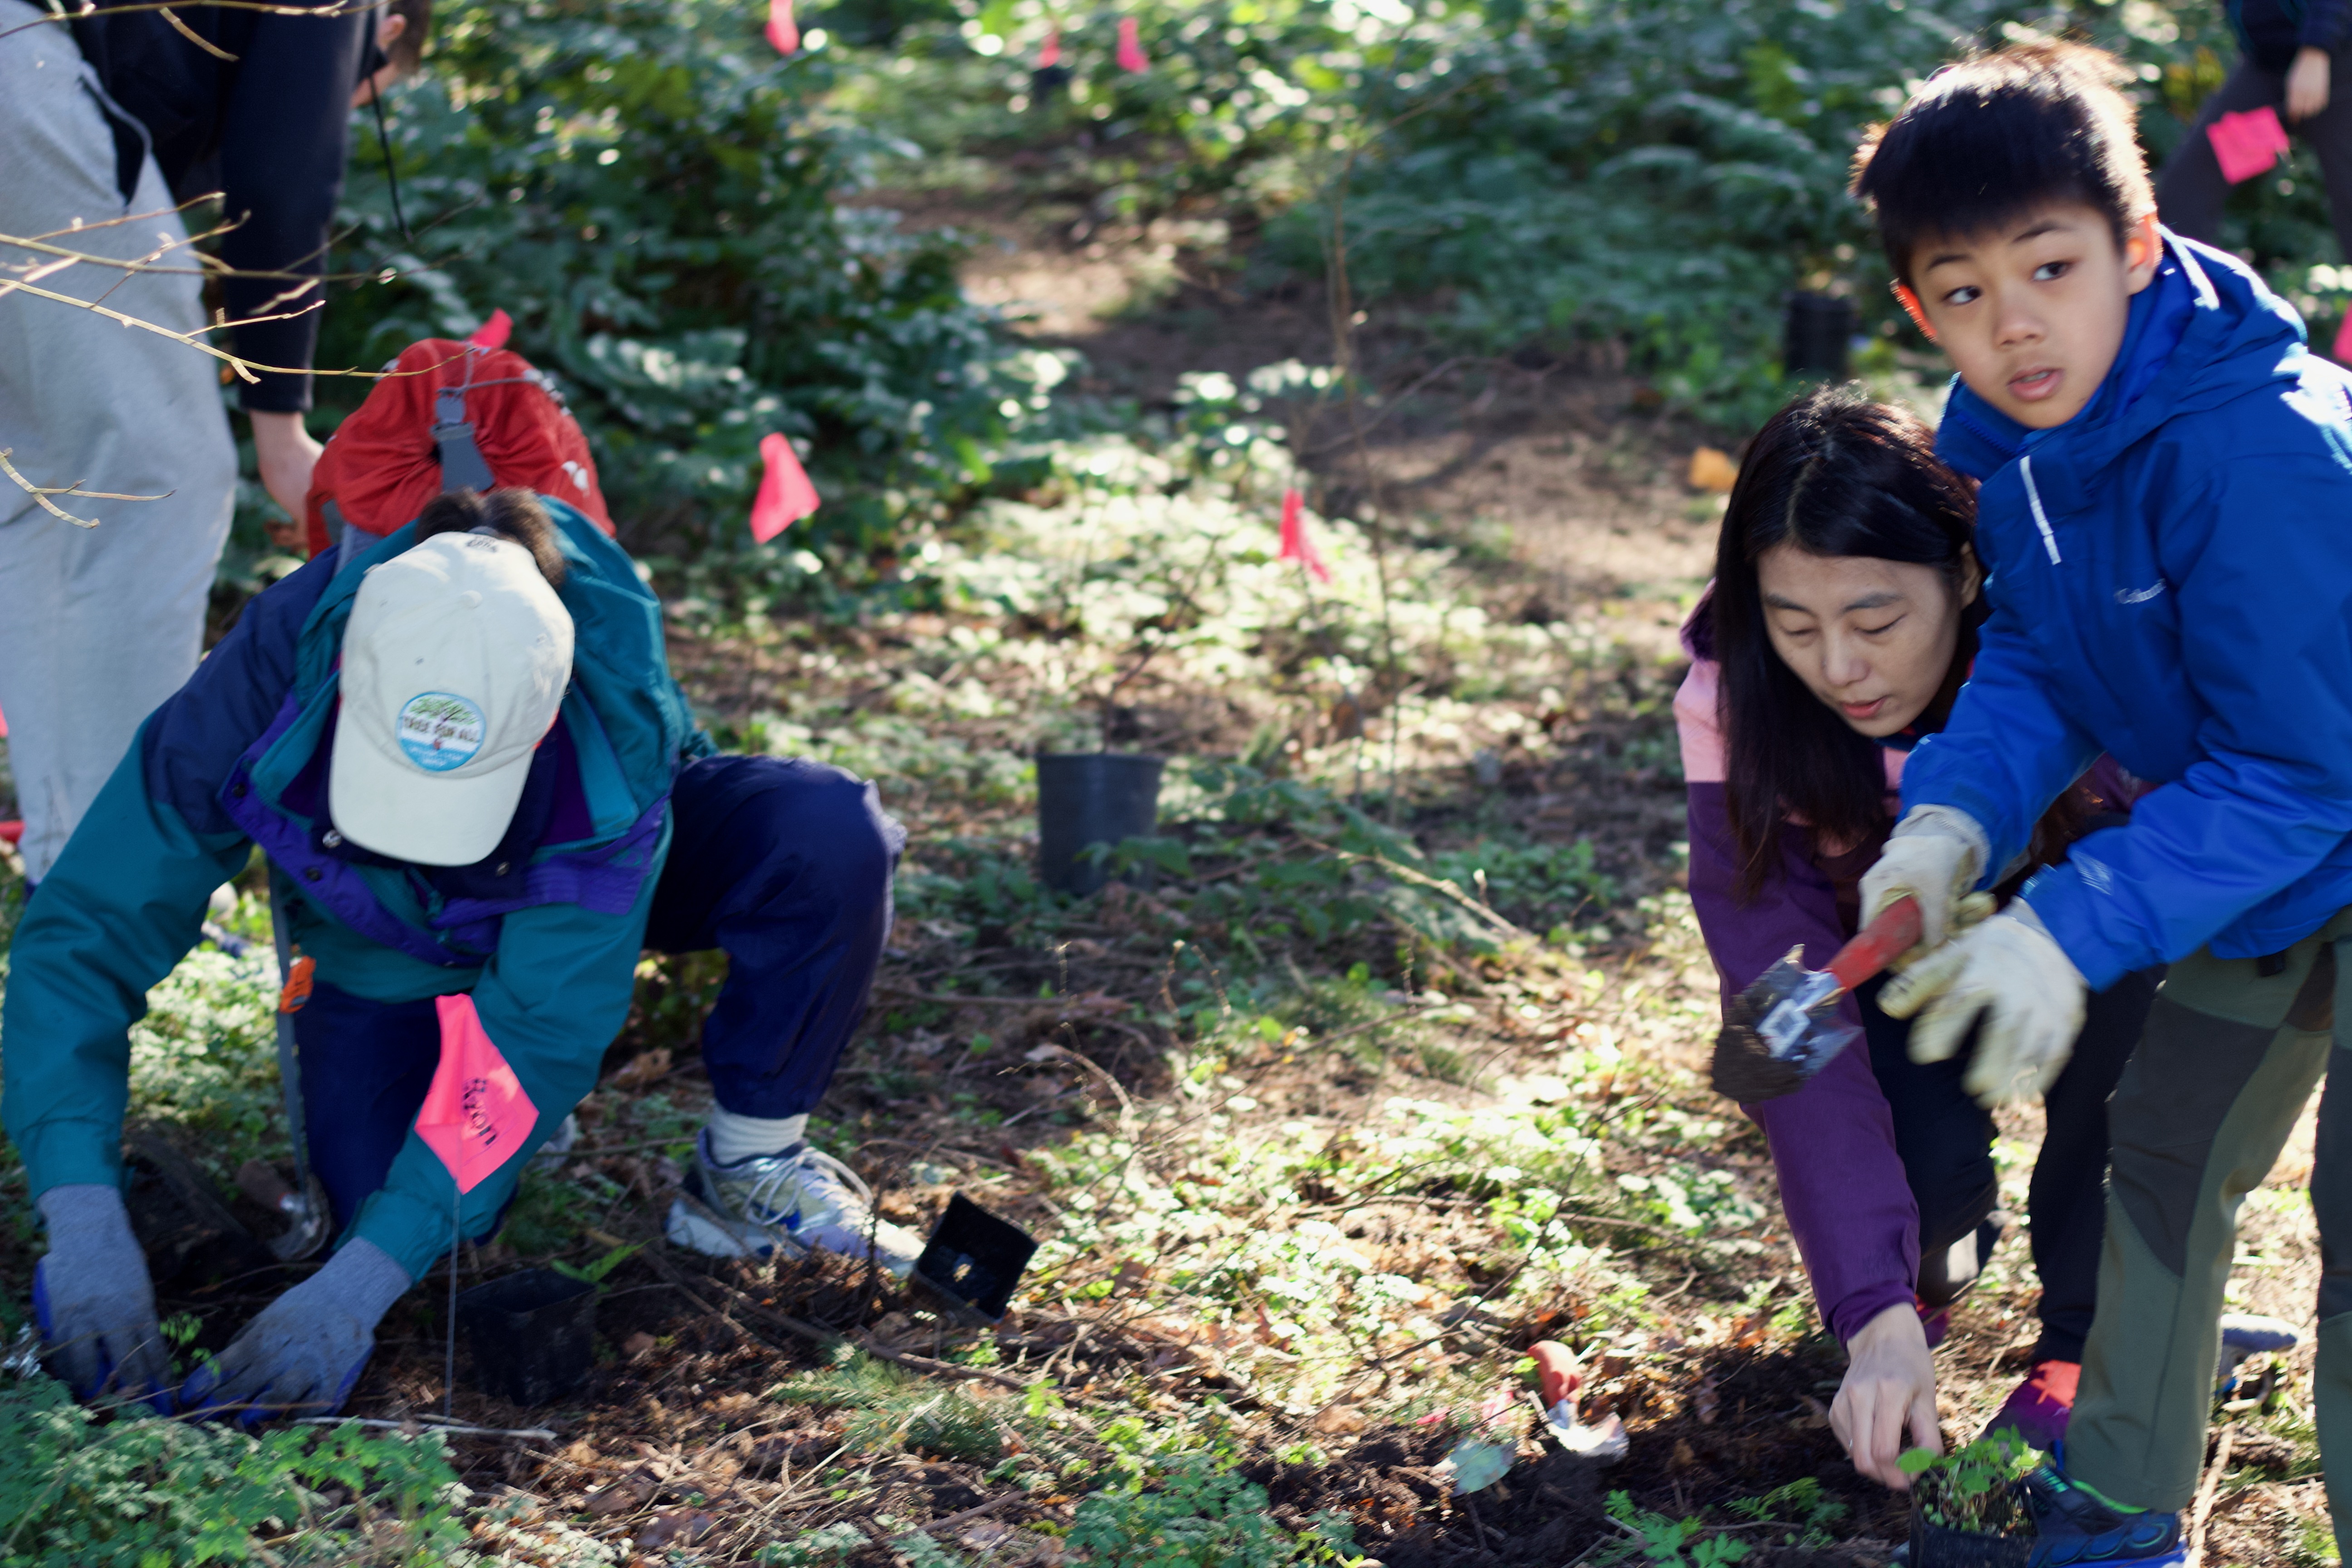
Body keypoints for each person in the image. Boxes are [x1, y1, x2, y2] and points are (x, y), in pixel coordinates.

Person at [0, 485, 922, 1417]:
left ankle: (747, 1165)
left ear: (543, 717)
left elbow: (546, 1027)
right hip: (379, 933)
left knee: (824, 833)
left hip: (553, 893)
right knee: (376, 1204)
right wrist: (81, 1212)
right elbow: (91, 926)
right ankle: (472, 1119)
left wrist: (359, 1288)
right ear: (348, 677)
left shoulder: (610, 724)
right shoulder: (269, 672)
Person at [1848, 40, 2352, 1563]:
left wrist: (2065, 924)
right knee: (2164, 1151)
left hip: (2293, 797)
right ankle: (2125, 1507)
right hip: (2266, 857)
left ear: (2136, 245)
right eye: (1965, 290)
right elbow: (2040, 655)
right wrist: (1950, 821)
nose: (2015, 323)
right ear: (1917, 307)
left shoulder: (2260, 448)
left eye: (2050, 268)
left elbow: (2305, 763)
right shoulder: (2016, 448)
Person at [1678, 387, 2156, 1485]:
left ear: (1966, 573)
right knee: (1919, 1199)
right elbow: (1782, 997)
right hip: (1890, 944)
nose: (1838, 666)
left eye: (1876, 621)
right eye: (1796, 626)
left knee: (2120, 1094)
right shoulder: (1732, 694)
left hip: (2095, 908)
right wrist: (1873, 1307)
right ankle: (1928, 1281)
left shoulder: (2070, 631)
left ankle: (2084, 1349)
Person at [0, 0, 421, 888]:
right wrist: (283, 434)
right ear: (386, 30)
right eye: (362, 93)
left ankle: (71, 865)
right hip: (22, 69)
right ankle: (118, 882)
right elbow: (285, 168)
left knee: (45, 484)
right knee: (161, 482)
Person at [2154, 0, 2352, 267]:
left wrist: (2316, 51)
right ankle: (2185, 286)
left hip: (2335, 61)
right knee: (2187, 185)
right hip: (2266, 68)